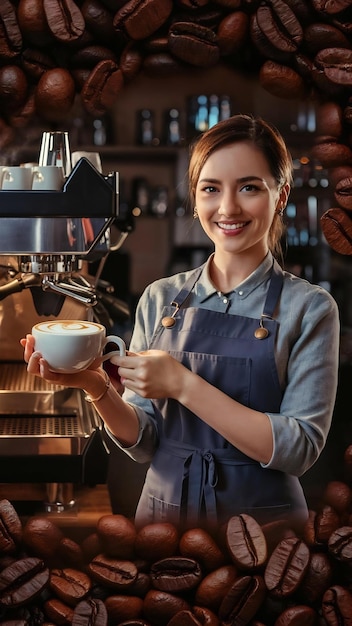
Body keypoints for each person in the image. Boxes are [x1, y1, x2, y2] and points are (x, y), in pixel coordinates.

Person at [22, 114, 340, 533]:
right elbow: (146, 439)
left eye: (249, 187)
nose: (227, 208)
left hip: (266, 530)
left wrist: (183, 385)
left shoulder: (312, 309)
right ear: (195, 198)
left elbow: (299, 448)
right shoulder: (159, 298)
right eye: (211, 189)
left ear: (280, 196)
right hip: (164, 521)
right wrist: (95, 387)